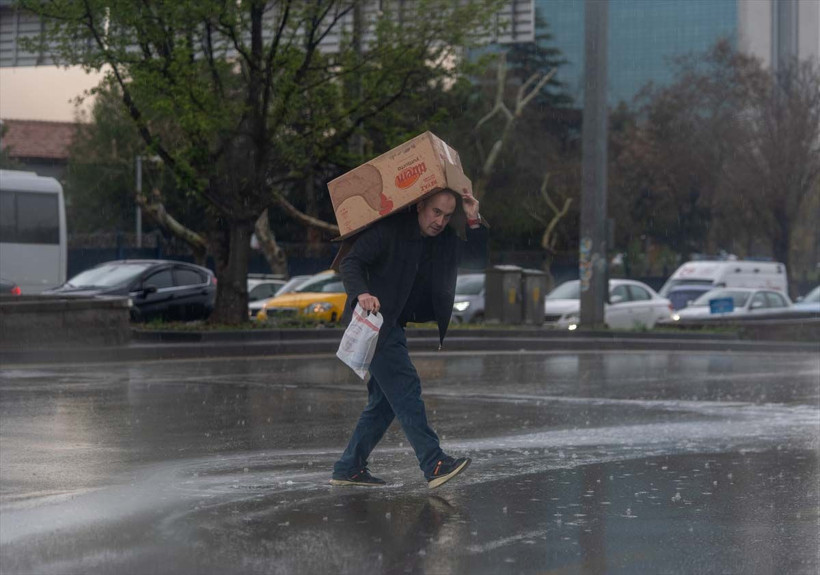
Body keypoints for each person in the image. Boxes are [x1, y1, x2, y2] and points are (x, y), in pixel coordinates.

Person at [331, 188, 487, 489]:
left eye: (446, 215)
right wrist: (361, 293)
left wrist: (472, 218)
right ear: (419, 206)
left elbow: (477, 258)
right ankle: (434, 463)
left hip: (392, 326)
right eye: (435, 212)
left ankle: (348, 467)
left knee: (384, 403)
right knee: (406, 388)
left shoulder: (437, 240)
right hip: (372, 325)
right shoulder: (389, 230)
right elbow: (351, 262)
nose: (440, 221)